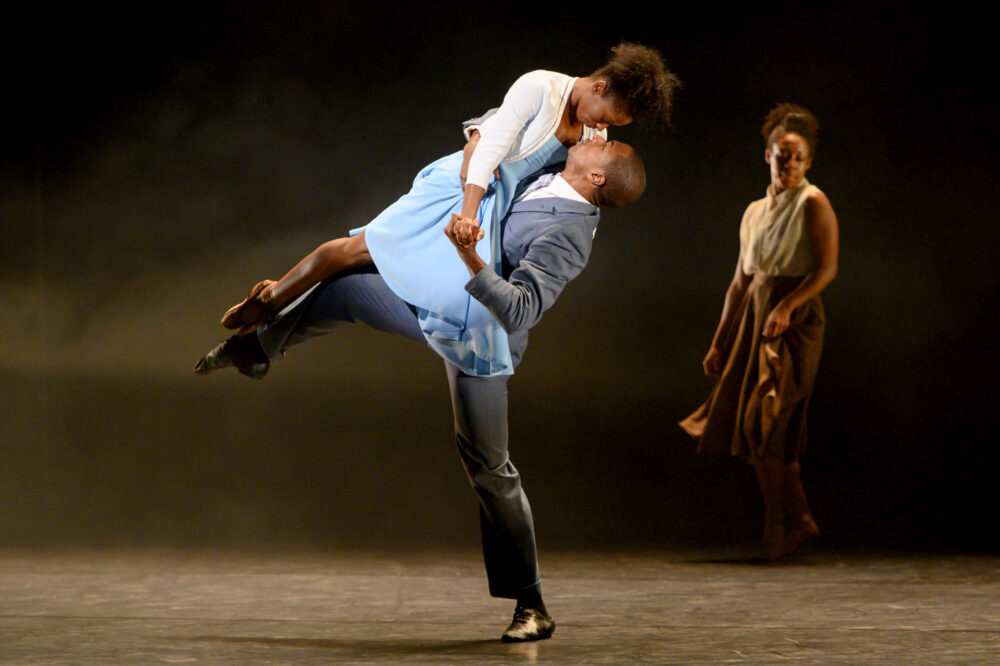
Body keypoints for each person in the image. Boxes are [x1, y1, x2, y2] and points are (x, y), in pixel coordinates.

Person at [196, 135, 647, 641]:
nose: (590, 140)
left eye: (602, 147)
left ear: (598, 178)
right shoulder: (550, 165)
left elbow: (523, 309)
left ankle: (532, 604)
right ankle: (255, 351)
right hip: (433, 302)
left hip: (478, 338)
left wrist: (470, 255)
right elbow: (510, 126)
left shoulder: (569, 234)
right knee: (345, 287)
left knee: (488, 468)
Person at [220, 42, 677, 377]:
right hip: (462, 194)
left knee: (424, 292)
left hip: (487, 217)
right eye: (605, 117)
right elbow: (491, 143)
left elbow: (567, 190)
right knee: (355, 251)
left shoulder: (590, 139)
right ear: (599, 86)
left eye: (610, 127)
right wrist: (469, 210)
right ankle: (267, 301)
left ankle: (265, 342)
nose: (600, 129)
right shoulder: (541, 86)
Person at [680, 104, 839, 561]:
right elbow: (739, 282)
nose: (789, 164)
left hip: (795, 321)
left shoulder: (814, 202)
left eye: (798, 157)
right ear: (767, 155)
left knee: (766, 424)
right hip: (757, 317)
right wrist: (718, 342)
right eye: (781, 155)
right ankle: (799, 518)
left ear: (808, 162)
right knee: (758, 432)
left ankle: (780, 520)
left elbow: (827, 269)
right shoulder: (753, 212)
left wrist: (788, 306)